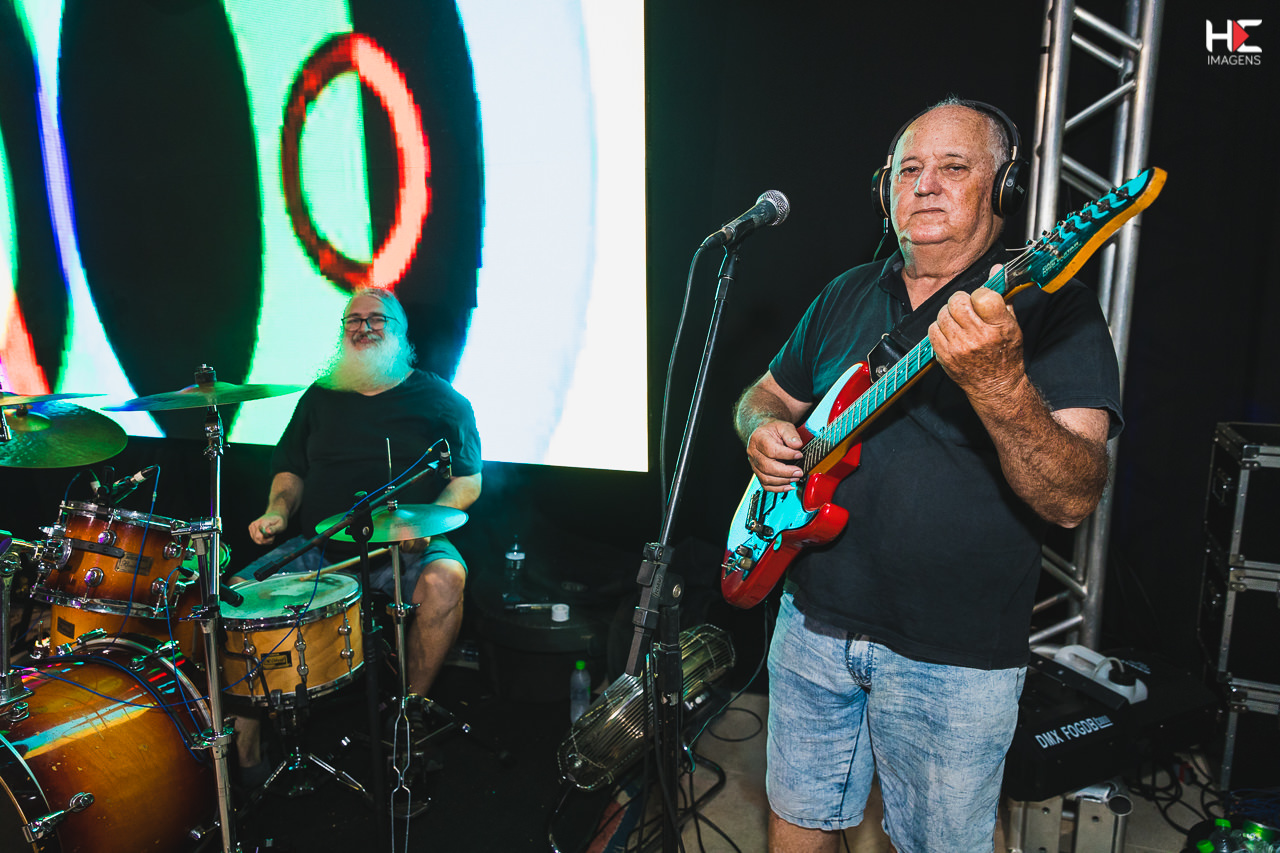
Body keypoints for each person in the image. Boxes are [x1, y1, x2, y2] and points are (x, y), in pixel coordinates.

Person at [733, 98, 1122, 852]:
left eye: (953, 167)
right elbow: (766, 395)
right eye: (908, 169)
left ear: (1003, 189)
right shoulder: (847, 291)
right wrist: (760, 430)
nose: (925, 184)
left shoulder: (1051, 305)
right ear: (883, 189)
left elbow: (1073, 497)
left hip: (954, 658)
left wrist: (999, 384)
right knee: (796, 823)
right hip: (810, 623)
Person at [230, 286, 482, 780]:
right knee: (237, 596)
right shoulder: (321, 396)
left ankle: (407, 713)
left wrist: (428, 522)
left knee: (446, 580)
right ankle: (247, 747)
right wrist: (277, 511)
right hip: (321, 546)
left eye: (377, 318)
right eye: (353, 319)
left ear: (400, 331)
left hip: (407, 546)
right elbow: (290, 470)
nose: (364, 327)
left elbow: (468, 480)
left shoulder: (440, 398)